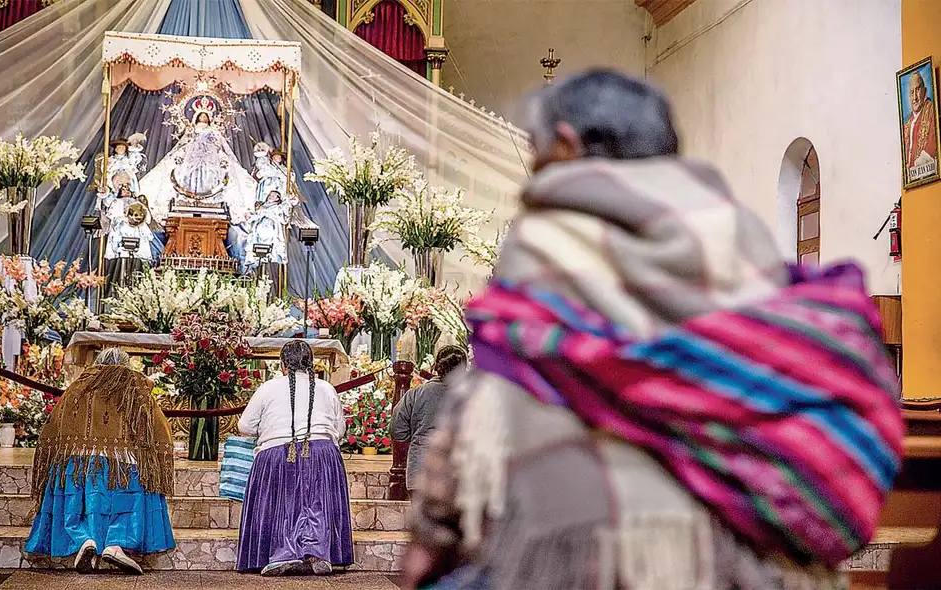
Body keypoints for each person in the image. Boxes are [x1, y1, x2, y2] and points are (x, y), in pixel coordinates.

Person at [401, 70, 903, 590]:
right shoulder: (742, 239)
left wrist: (428, 542)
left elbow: (471, 435)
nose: (532, 169)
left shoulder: (549, 244)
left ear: (567, 146)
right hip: (759, 572)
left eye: (535, 150)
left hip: (572, 561)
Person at [25, 348, 175, 575]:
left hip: (80, 460)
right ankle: (116, 544)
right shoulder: (136, 387)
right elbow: (156, 427)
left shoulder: (81, 385)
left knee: (78, 499)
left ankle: (85, 539)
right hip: (124, 464)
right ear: (126, 365)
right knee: (128, 497)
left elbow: (58, 423)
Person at [236, 340, 353, 576]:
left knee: (283, 501)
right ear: (312, 364)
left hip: (277, 452)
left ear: (282, 365)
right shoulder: (326, 388)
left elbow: (244, 426)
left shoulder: (268, 388)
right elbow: (339, 430)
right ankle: (318, 553)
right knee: (316, 501)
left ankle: (282, 554)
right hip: (322, 453)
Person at [390, 346, 467, 494]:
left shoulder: (415, 394)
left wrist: (416, 438)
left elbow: (397, 429)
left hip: (420, 470)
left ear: (436, 366)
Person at [904, 70, 939, 180]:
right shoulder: (906, 125)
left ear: (925, 91)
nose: (915, 97)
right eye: (911, 92)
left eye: (918, 89)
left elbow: (932, 149)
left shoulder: (932, 112)